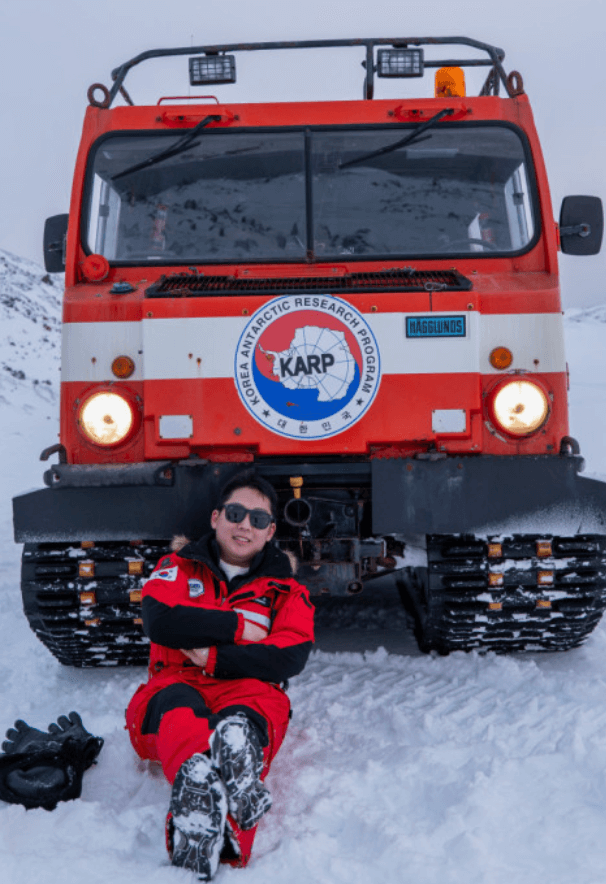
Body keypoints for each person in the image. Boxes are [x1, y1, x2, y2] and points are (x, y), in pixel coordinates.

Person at [126, 471, 315, 880]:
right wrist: (237, 628)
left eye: (258, 519)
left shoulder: (286, 591)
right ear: (215, 518)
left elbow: (290, 655)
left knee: (242, 725)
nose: (245, 524)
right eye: (235, 513)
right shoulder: (176, 568)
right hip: (175, 684)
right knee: (181, 713)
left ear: (270, 532)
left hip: (249, 691)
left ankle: (210, 825)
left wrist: (212, 656)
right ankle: (219, 800)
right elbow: (160, 620)